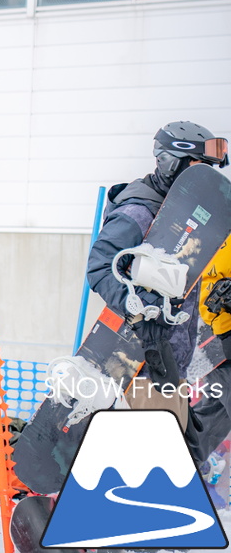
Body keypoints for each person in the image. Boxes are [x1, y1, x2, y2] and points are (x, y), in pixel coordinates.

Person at [73, 123, 228, 462]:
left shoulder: (197, 217)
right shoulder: (139, 210)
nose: (208, 180)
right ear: (173, 163)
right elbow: (99, 268)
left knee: (175, 447)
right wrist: (139, 308)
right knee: (150, 455)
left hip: (181, 355)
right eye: (200, 169)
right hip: (142, 355)